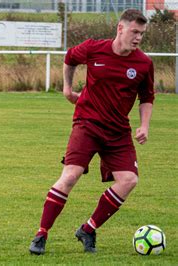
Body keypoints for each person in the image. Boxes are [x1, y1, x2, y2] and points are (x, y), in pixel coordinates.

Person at [29, 8, 154, 255]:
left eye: (141, 33)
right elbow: (69, 57)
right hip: (87, 123)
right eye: (134, 31)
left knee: (129, 181)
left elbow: (147, 96)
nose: (138, 37)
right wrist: (67, 89)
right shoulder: (94, 48)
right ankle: (41, 234)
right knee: (71, 175)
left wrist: (144, 125)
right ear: (120, 28)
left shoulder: (143, 63)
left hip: (118, 132)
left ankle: (88, 228)